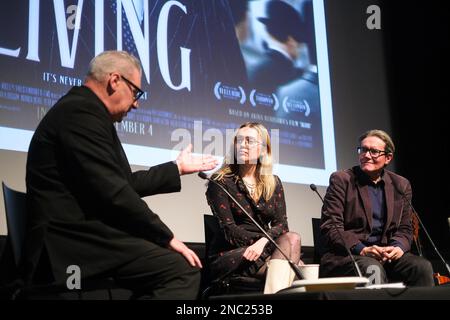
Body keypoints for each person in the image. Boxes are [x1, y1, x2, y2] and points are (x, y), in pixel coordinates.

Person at [24, 50, 218, 299]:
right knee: (181, 270)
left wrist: (176, 168)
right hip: (70, 241)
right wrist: (166, 236)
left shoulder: (87, 112)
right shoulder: (80, 114)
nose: (137, 103)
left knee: (172, 263)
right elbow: (115, 192)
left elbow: (122, 183)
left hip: (84, 233)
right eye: (136, 92)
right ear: (115, 80)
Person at [320, 129, 434, 286]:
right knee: (372, 268)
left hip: (386, 255)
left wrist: (397, 247)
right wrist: (362, 249)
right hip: (348, 255)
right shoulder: (342, 180)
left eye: (373, 151)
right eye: (363, 150)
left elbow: (405, 229)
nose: (366, 155)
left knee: (422, 267)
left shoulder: (400, 185)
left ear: (388, 158)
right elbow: (331, 227)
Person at [205, 122, 302, 294]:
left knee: (292, 240)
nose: (242, 145)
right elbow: (230, 230)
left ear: (264, 150)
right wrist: (267, 244)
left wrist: (264, 243)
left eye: (249, 141)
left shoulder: (273, 182)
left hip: (263, 250)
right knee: (297, 270)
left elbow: (282, 225)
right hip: (233, 253)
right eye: (239, 140)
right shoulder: (220, 182)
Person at [248, 1, 305, 94]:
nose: (300, 48)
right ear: (291, 40)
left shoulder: (253, 70)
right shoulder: (298, 77)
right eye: (300, 42)